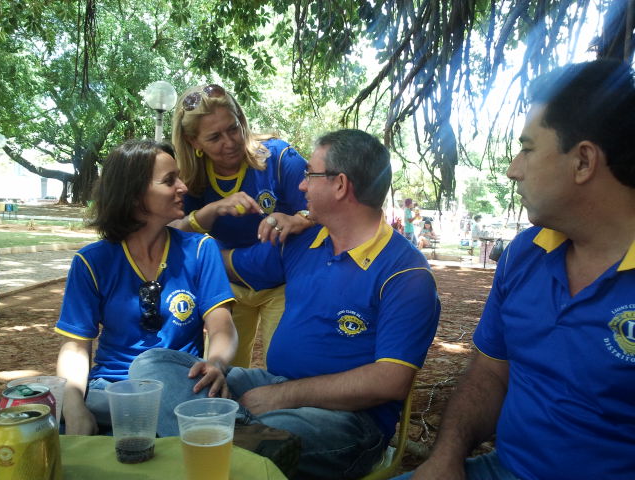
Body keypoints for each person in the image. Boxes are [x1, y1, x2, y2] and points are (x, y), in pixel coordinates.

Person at [130, 129, 441, 479]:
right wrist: (201, 219)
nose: (302, 186)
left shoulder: (406, 274)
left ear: (340, 185)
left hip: (348, 420)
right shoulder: (304, 241)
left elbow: (389, 381)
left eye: (310, 174)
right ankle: (239, 437)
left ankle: (228, 436)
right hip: (271, 384)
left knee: (273, 429)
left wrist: (281, 397)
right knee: (153, 366)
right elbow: (228, 262)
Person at [393, 59, 635, 480]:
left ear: (583, 161)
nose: (512, 170)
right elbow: (490, 374)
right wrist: (446, 457)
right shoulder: (525, 254)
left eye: (527, 148)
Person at [55, 140, 237, 435]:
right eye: (170, 180)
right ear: (134, 195)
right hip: (112, 391)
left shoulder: (201, 249)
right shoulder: (92, 262)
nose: (183, 187)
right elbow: (75, 346)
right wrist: (74, 407)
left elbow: (222, 327)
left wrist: (216, 362)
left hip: (181, 385)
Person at [170, 84, 311, 367]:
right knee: (223, 371)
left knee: (280, 369)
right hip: (227, 288)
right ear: (193, 141)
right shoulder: (190, 177)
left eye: (233, 128)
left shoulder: (279, 157)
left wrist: (297, 219)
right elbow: (170, 233)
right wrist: (210, 211)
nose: (230, 142)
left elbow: (321, 208)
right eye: (214, 137)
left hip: (282, 286)